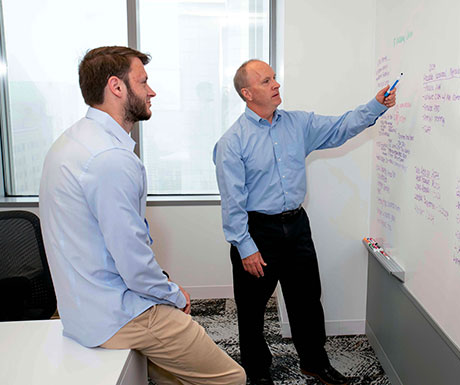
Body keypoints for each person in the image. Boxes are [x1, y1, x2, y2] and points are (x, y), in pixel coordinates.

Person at [39, 46, 246, 385]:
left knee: (169, 377)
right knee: (231, 378)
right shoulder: (109, 158)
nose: (151, 91)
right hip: (117, 314)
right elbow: (133, 261)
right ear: (116, 87)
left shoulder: (73, 140)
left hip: (80, 310)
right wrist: (174, 296)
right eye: (143, 81)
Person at [213, 59, 396, 385]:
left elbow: (341, 126)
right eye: (266, 80)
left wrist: (376, 105)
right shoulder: (233, 142)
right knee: (252, 310)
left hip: (296, 226)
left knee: (307, 301)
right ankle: (257, 373)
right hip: (257, 232)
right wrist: (245, 246)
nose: (276, 84)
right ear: (247, 93)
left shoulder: (297, 124)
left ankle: (314, 362)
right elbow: (233, 202)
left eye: (274, 78)